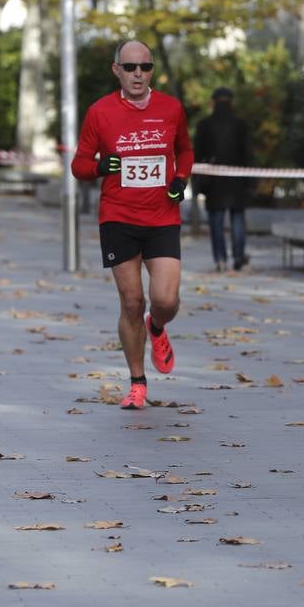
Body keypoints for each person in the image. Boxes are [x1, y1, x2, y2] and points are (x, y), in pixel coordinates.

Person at [71, 40, 194, 410]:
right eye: (130, 67)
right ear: (117, 71)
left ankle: (156, 327)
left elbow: (185, 150)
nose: (138, 74)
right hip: (118, 217)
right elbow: (79, 165)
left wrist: (181, 179)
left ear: (152, 70)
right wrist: (99, 167)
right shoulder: (100, 112)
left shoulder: (171, 108)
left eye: (145, 67)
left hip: (161, 217)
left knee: (165, 300)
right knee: (131, 301)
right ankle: (137, 382)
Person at [194, 87, 253, 271]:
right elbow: (248, 154)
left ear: (213, 102)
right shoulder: (241, 124)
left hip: (214, 182)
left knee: (216, 222)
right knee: (237, 221)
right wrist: (251, 181)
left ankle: (220, 260)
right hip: (238, 181)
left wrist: (197, 181)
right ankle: (238, 257)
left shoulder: (204, 124)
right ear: (231, 102)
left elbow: (197, 154)